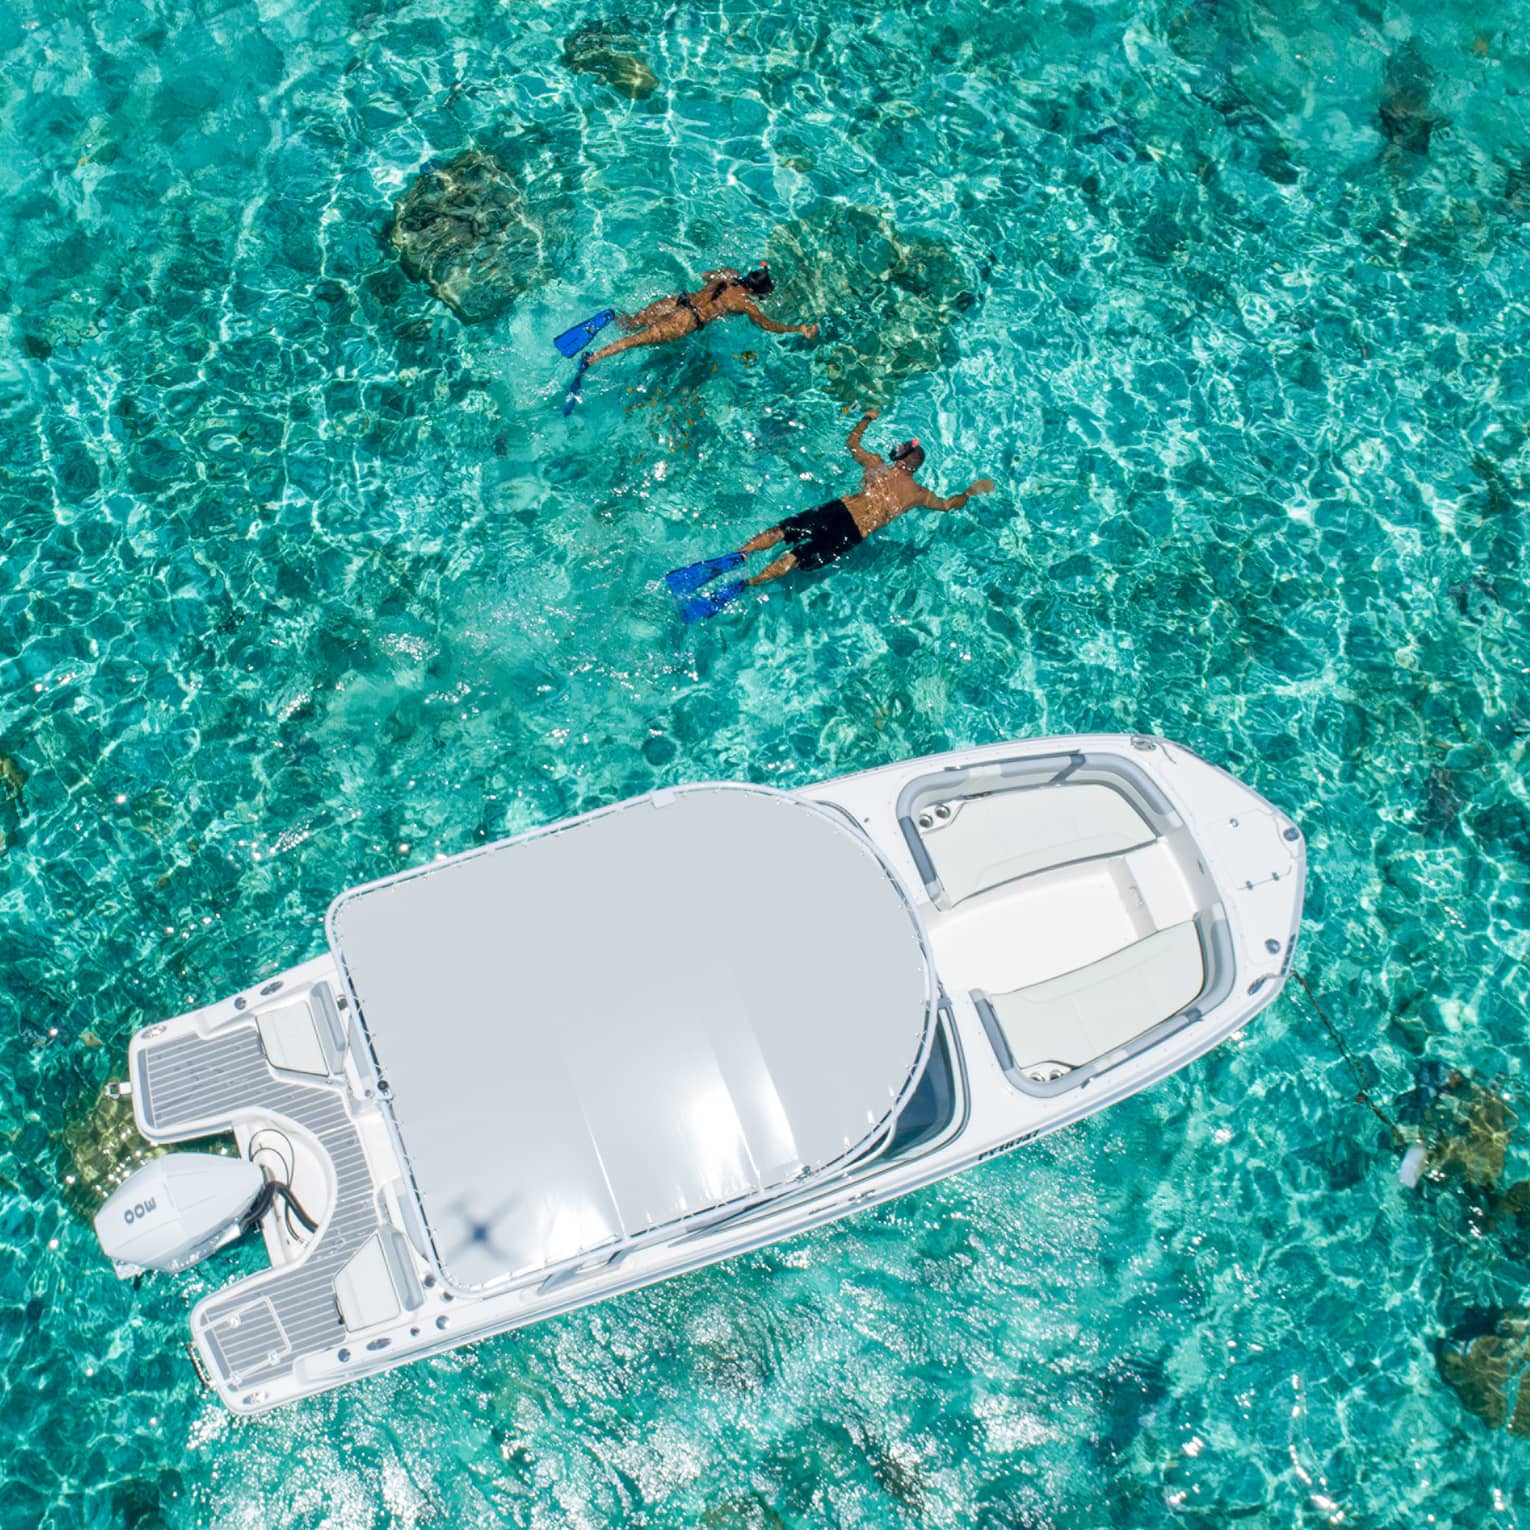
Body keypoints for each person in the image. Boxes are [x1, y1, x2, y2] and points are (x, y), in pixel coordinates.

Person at [666, 407, 997, 620]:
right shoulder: (920, 494)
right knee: (794, 560)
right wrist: (968, 492)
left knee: (781, 531)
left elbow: (851, 443)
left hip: (837, 510)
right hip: (851, 534)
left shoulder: (877, 467)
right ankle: (745, 583)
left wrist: (866, 418)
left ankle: (740, 555)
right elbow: (949, 505)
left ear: (901, 457)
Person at [584, 263, 818, 369]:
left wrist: (720, 275)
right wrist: (799, 329)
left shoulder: (730, 274)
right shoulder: (745, 302)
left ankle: (612, 317)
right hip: (686, 320)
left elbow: (705, 275)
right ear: (754, 291)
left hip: (678, 300)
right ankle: (595, 357)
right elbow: (768, 325)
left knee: (631, 324)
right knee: (636, 341)